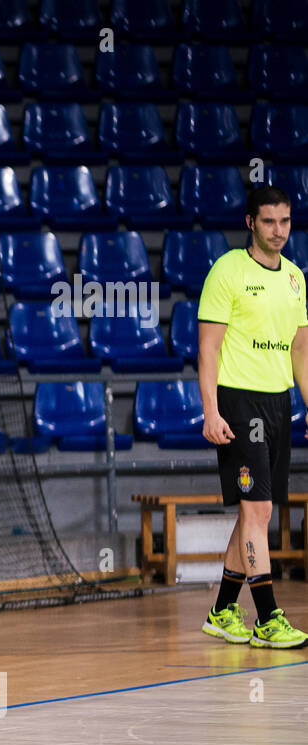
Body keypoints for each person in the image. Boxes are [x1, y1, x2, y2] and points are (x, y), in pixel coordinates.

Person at [198, 184, 308, 649]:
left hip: (278, 402)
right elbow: (209, 348)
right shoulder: (227, 270)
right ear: (250, 223)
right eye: (268, 221)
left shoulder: (295, 278)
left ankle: (223, 610)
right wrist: (210, 411)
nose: (278, 230)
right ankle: (266, 617)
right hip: (239, 402)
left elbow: (300, 349)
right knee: (258, 510)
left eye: (285, 221)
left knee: (255, 512)